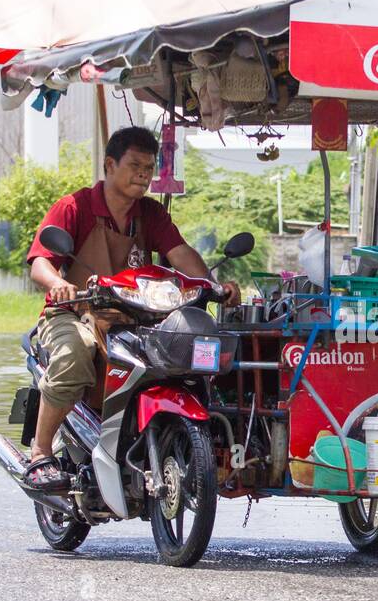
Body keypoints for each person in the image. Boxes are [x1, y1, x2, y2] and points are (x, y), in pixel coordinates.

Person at [22, 126, 239, 489]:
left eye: (149, 167)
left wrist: (212, 286)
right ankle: (40, 453)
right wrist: (58, 284)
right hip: (74, 311)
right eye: (135, 165)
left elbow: (179, 253)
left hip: (135, 316)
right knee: (76, 353)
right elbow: (40, 261)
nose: (143, 174)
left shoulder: (150, 214)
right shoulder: (75, 207)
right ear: (110, 164)